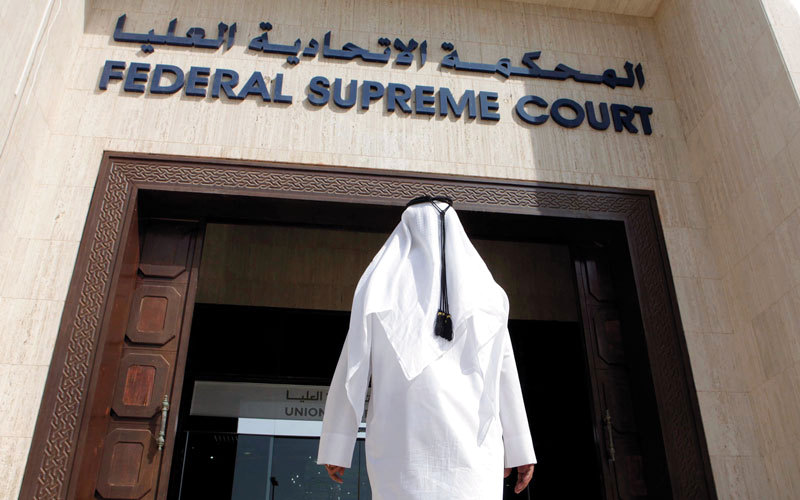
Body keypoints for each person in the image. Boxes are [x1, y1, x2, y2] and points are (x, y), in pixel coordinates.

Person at [317, 195, 536, 499]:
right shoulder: (486, 292)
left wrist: (337, 444)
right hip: (467, 447)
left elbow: (352, 365)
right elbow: (505, 371)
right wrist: (519, 446)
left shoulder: (378, 287)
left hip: (403, 448)